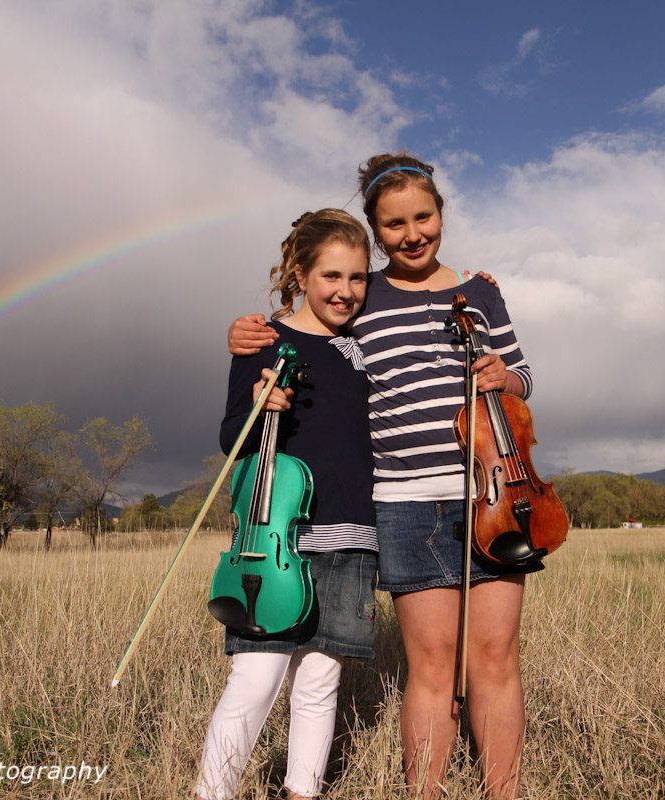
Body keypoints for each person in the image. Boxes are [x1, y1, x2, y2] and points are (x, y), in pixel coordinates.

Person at [228, 154, 538, 800]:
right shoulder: (364, 298)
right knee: (430, 665)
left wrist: (504, 378)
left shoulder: (481, 293)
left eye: (423, 216)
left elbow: (524, 378)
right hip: (402, 504)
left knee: (495, 659)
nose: (412, 233)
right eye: (393, 224)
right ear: (376, 230)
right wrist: (249, 334)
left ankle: (503, 791)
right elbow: (309, 324)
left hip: (491, 496)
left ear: (441, 214)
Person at [197, 209, 379, 800]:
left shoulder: (362, 348)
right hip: (277, 541)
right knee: (255, 680)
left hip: (351, 537)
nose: (345, 291)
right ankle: (212, 791)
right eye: (331, 276)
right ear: (300, 274)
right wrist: (257, 407)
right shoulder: (264, 340)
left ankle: (304, 791)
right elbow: (232, 442)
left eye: (357, 278)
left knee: (319, 684)